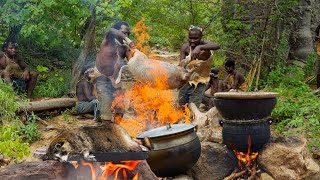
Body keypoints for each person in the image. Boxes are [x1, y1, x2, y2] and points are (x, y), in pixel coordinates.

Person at [94, 21, 135, 122]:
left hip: (116, 83)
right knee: (106, 116)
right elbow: (111, 30)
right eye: (123, 32)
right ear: (117, 32)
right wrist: (127, 39)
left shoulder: (125, 48)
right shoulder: (108, 41)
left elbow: (133, 62)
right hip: (103, 80)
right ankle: (101, 116)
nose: (126, 35)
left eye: (128, 33)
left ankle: (117, 131)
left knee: (119, 111)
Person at [178, 25, 220, 108]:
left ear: (201, 37)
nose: (192, 41)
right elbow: (180, 66)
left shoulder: (206, 48)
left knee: (193, 107)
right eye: (190, 38)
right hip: (186, 82)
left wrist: (199, 47)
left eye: (196, 38)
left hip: (200, 83)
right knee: (180, 106)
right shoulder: (186, 47)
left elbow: (217, 46)